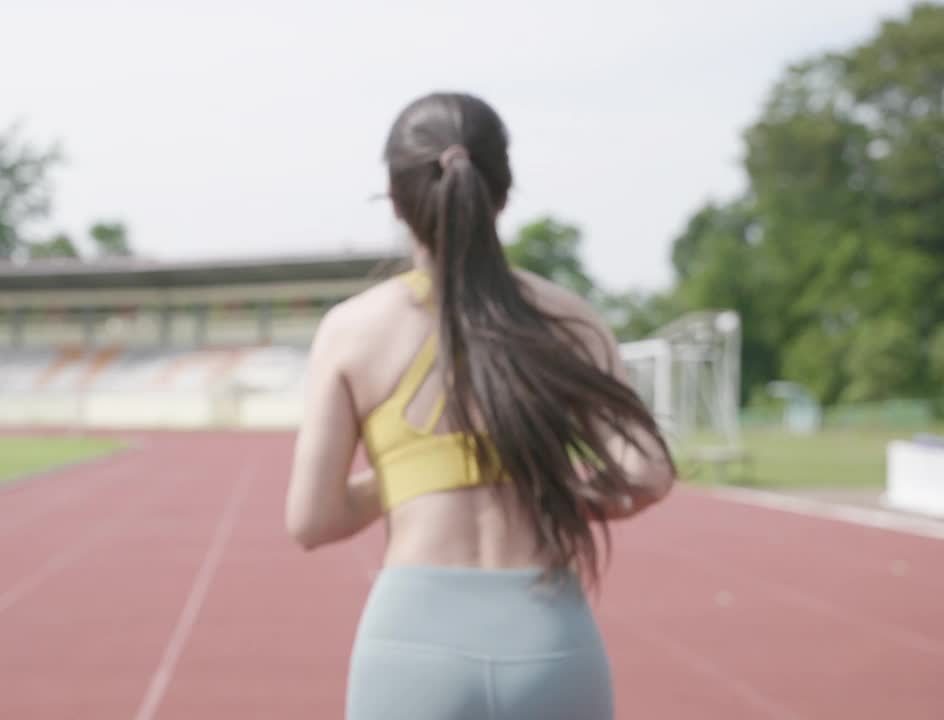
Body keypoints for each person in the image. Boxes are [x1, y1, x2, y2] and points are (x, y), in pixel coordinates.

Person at [284, 92, 677, 719]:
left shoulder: (352, 329)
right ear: (503, 193)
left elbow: (311, 519)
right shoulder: (569, 319)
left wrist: (414, 470)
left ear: (395, 198)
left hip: (412, 641)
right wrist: (537, 475)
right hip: (549, 636)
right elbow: (648, 473)